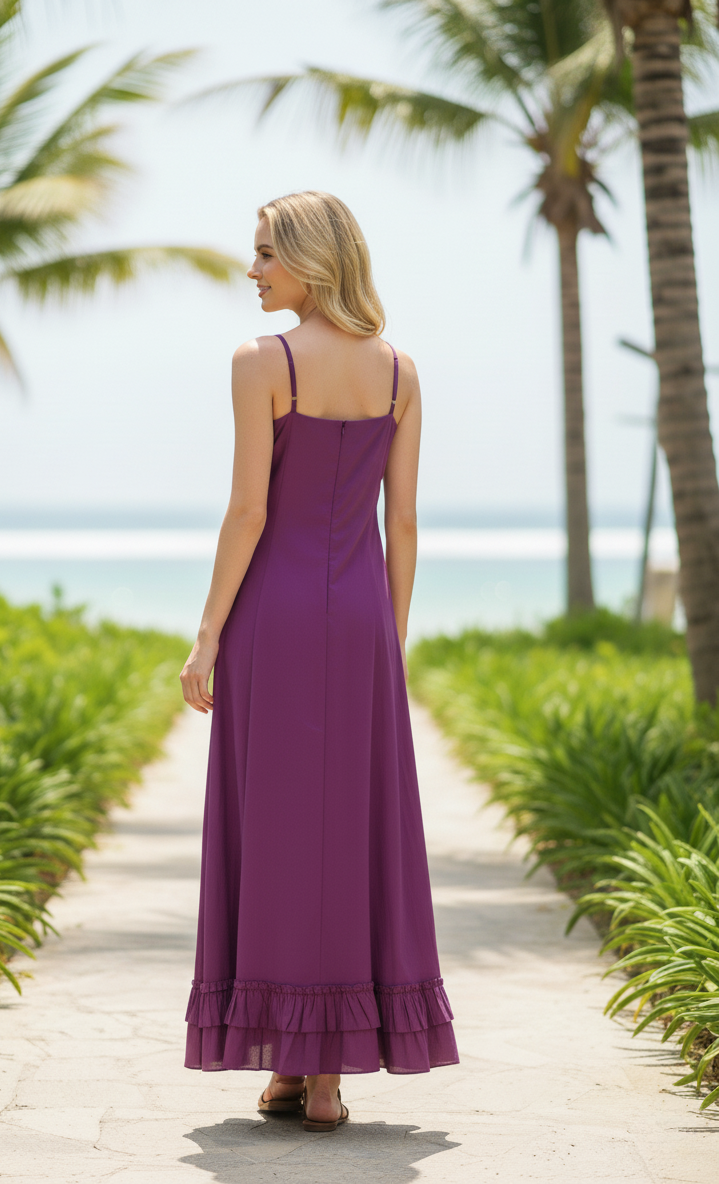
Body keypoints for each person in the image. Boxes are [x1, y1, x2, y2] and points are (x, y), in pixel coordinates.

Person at [180, 191, 458, 1133]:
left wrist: (209, 632)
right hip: (362, 627)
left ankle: (294, 1063)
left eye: (264, 254)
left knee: (279, 836)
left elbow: (249, 515)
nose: (252, 270)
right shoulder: (401, 374)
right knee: (352, 835)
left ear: (310, 258)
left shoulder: (262, 362)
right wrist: (390, 638)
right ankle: (324, 1076)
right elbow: (404, 523)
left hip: (275, 621)